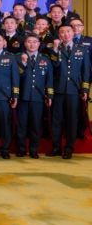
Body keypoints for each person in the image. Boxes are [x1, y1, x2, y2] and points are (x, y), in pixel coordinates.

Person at [48, 24, 90, 159]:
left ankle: (69, 148)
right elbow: (53, 66)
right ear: (59, 35)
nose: (65, 34)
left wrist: (85, 88)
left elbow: (86, 71)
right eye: (62, 32)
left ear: (73, 33)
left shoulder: (82, 50)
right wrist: (55, 49)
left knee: (72, 119)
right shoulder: (55, 49)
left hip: (74, 89)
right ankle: (56, 147)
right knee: (56, 120)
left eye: (68, 31)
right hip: (58, 89)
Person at [17, 33, 53, 159]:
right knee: (21, 125)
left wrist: (49, 96)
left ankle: (34, 150)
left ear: (39, 44)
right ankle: (21, 149)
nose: (32, 44)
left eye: (34, 42)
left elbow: (49, 80)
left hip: (38, 97)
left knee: (36, 125)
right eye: (29, 41)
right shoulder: (18, 58)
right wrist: (23, 64)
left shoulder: (45, 59)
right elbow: (16, 77)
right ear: (25, 44)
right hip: (22, 96)